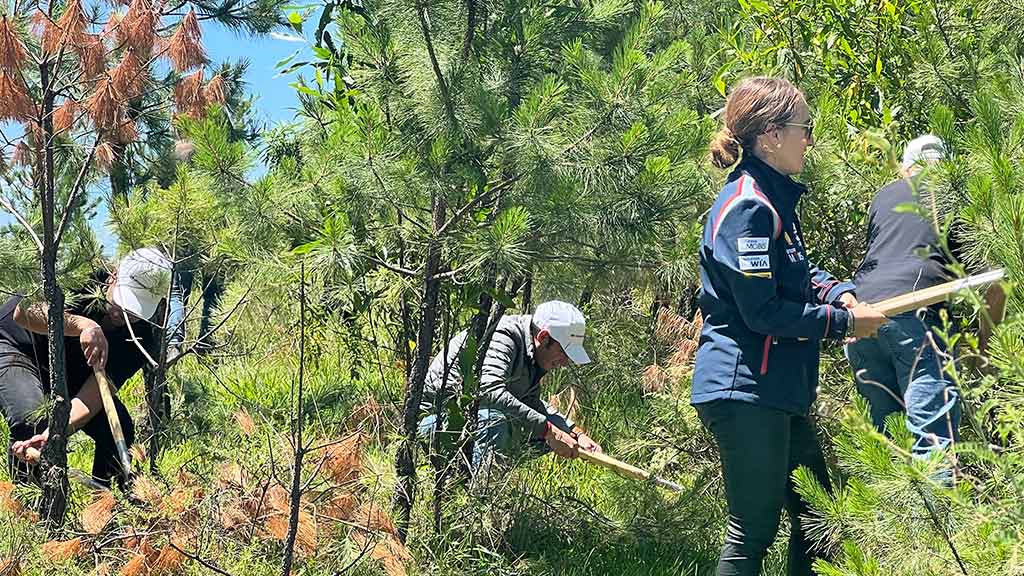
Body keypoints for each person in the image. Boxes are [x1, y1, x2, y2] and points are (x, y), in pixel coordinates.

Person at [692, 76, 888, 576]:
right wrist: (843, 323)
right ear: (770, 136)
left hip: (776, 391)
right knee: (751, 532)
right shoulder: (750, 207)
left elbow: (797, 274)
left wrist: (837, 291)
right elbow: (762, 311)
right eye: (805, 127)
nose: (810, 139)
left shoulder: (776, 200)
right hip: (745, 391)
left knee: (819, 519)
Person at [845, 135, 1006, 466]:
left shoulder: (883, 197)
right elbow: (995, 284)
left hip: (860, 320)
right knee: (933, 449)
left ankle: (898, 518)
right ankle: (934, 518)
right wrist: (982, 352)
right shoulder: (953, 196)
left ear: (906, 169)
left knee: (889, 457)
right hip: (914, 321)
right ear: (945, 167)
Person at [0, 247, 171, 488]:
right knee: (31, 417)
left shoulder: (142, 339)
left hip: (69, 371)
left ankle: (106, 508)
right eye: (123, 303)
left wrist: (54, 433)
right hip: (17, 346)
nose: (125, 315)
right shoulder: (82, 275)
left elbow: (92, 399)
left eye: (135, 311)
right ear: (113, 276)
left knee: (118, 429)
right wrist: (83, 325)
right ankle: (28, 511)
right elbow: (24, 312)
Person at [417, 300, 602, 476]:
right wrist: (549, 430)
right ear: (543, 337)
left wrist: (574, 434)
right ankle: (479, 496)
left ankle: (471, 479)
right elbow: (489, 392)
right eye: (563, 352)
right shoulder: (504, 336)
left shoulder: (533, 353)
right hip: (434, 423)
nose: (565, 362)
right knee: (497, 422)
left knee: (552, 438)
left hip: (467, 424)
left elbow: (531, 404)